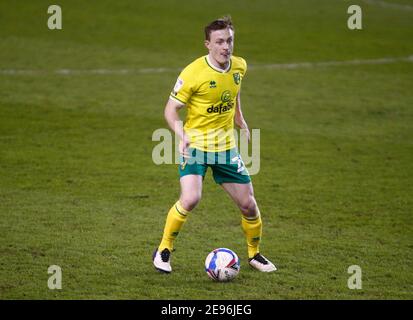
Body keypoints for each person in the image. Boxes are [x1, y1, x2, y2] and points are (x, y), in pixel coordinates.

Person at [153, 16, 276, 273]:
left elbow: (234, 91)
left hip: (225, 147)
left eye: (229, 40)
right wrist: (180, 133)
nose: (225, 47)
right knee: (191, 198)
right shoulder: (192, 73)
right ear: (207, 44)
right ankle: (164, 250)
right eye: (219, 41)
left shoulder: (239, 66)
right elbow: (170, 110)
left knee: (249, 204)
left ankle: (255, 254)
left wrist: (240, 118)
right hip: (195, 144)